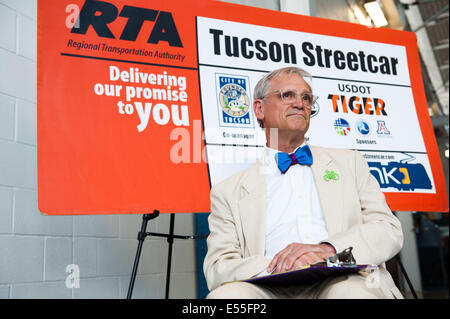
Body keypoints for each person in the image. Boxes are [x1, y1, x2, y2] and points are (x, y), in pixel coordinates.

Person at [203, 66, 404, 299]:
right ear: (259, 108)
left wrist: (329, 250)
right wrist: (277, 266)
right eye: (287, 95)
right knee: (228, 298)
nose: (299, 103)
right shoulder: (227, 191)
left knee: (351, 294)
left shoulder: (351, 162)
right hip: (265, 287)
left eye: (306, 97)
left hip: (342, 277)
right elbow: (218, 266)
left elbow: (388, 229)